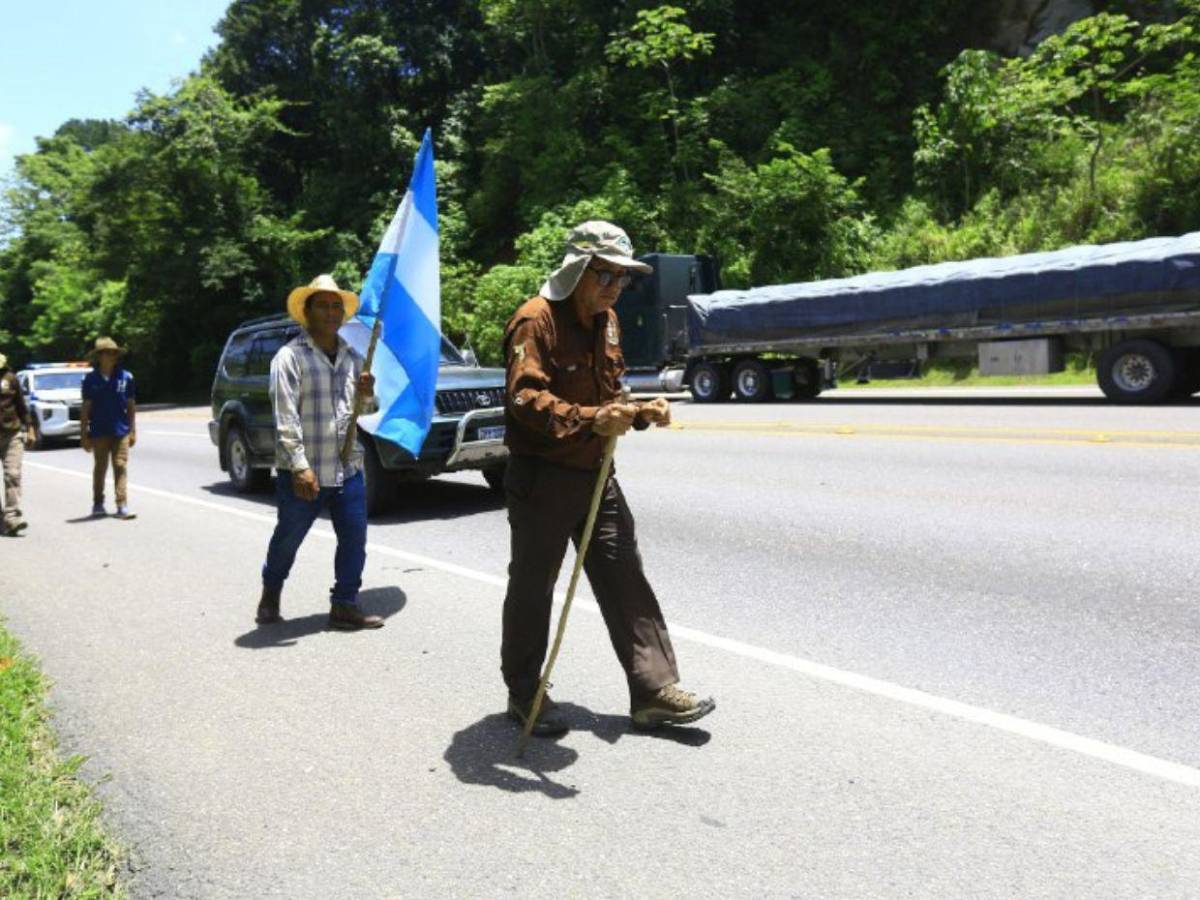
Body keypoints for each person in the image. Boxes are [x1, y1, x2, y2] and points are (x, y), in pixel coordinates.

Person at [500, 221, 716, 736]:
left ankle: (651, 691)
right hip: (543, 476)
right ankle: (524, 690)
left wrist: (640, 410)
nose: (615, 288)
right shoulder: (536, 321)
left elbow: (609, 396)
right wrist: (590, 419)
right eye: (606, 276)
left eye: (623, 279)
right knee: (534, 586)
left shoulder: (608, 321)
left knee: (624, 577)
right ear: (578, 270)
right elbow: (524, 399)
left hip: (597, 473)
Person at [255, 274, 384, 631]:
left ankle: (344, 604)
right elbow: (285, 418)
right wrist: (299, 467)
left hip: (347, 467)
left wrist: (367, 393)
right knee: (288, 539)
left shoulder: (352, 356)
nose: (330, 312)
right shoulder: (289, 357)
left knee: (355, 540)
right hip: (305, 472)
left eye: (335, 306)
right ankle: (271, 590)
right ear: (307, 312)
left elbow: (368, 411)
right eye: (323, 306)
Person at [80, 337, 137, 520]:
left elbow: (130, 405)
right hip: (99, 431)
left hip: (121, 430)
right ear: (100, 356)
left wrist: (133, 430)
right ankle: (98, 503)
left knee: (120, 465)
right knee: (101, 468)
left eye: (114, 353)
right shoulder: (90, 379)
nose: (112, 356)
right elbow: (86, 408)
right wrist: (84, 435)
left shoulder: (126, 377)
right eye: (108, 353)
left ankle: (122, 504)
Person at [0, 352, 35, 536]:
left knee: (12, 474)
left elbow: (21, 405)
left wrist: (30, 428)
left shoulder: (10, 378)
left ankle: (11, 517)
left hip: (12, 434)